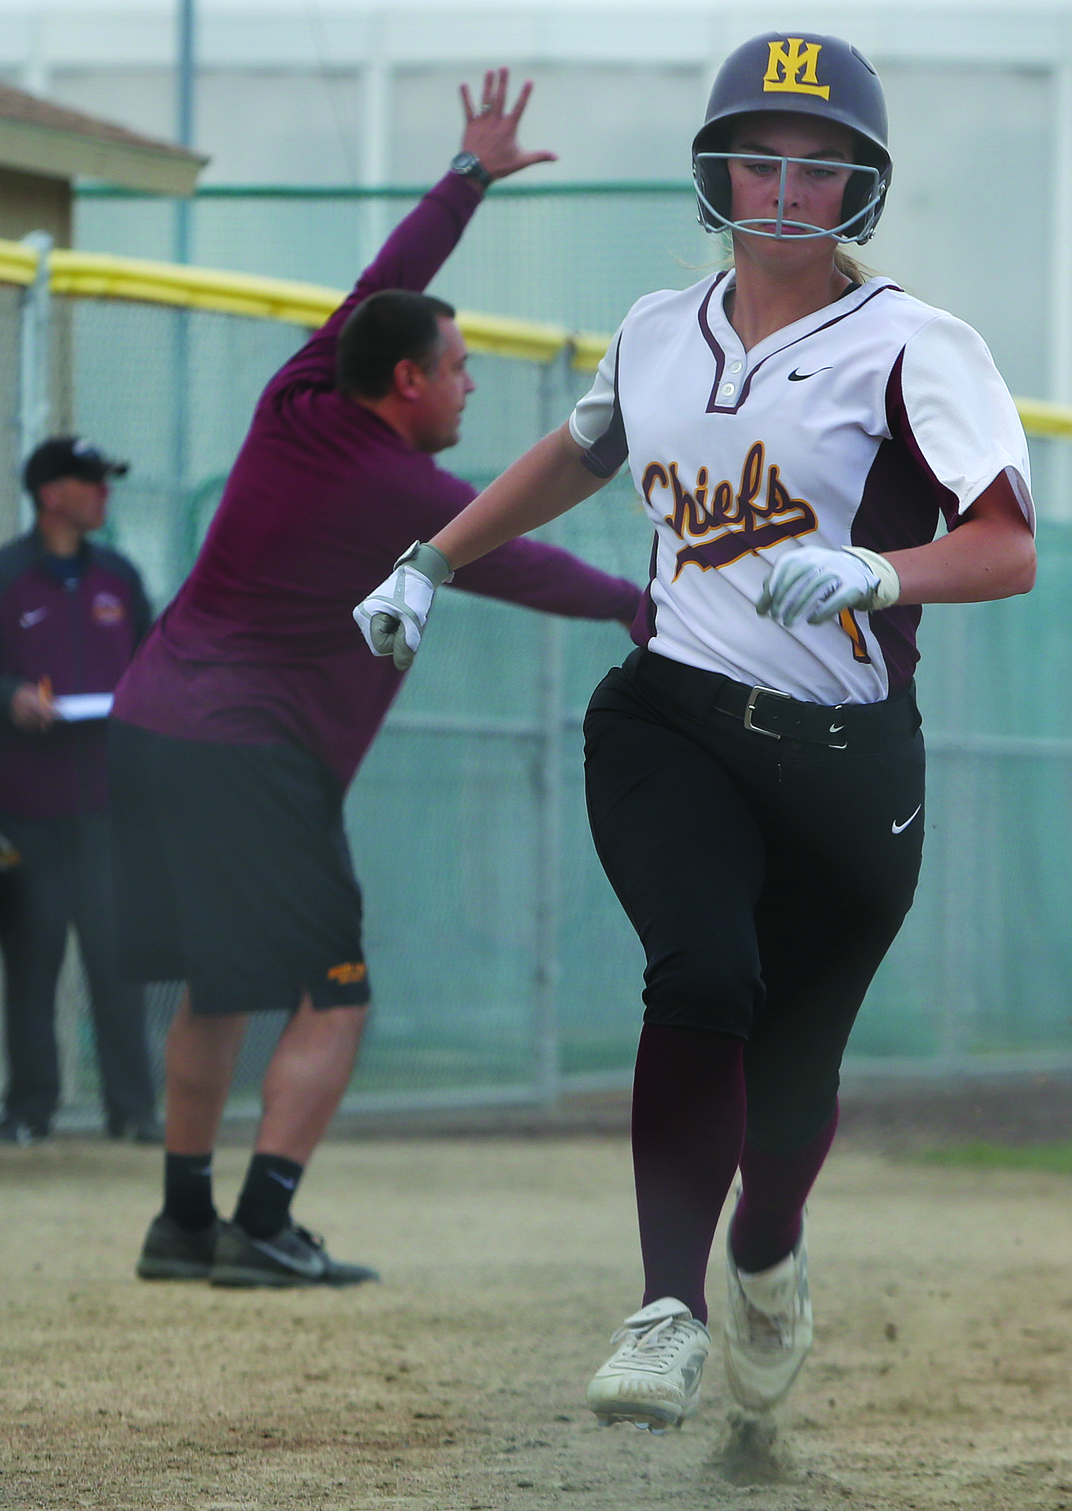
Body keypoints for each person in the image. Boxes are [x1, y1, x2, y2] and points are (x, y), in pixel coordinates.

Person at [356, 33, 1036, 1427]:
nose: (783, 184)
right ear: (715, 168)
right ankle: (663, 1307)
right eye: (759, 155)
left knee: (789, 1093)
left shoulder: (915, 341)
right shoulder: (657, 325)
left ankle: (765, 1246)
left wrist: (881, 569)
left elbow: (1008, 546)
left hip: (847, 765)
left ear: (860, 183)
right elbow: (582, 447)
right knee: (701, 973)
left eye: (818, 160)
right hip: (671, 719)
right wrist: (430, 553)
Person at [110, 69, 641, 1289]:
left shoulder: (300, 388)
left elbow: (386, 283)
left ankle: (182, 1220)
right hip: (248, 752)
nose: (465, 381)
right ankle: (262, 1219)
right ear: (407, 382)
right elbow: (520, 554)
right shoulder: (402, 490)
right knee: (335, 994)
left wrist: (465, 178)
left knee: (222, 983)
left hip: (150, 725)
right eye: (455, 366)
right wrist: (638, 603)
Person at [0, 436, 159, 1146]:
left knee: (118, 963)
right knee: (30, 958)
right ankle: (29, 1110)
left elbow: (156, 662)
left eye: (106, 479)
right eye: (90, 480)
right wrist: (9, 700)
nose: (104, 492)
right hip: (20, 808)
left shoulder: (120, 579)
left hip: (105, 808)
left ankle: (132, 1112)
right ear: (49, 494)